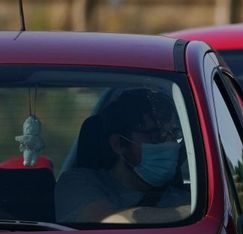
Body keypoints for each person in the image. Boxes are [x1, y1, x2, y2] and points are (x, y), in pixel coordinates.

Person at [56, 89, 190, 224]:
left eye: (173, 134)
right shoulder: (79, 183)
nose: (169, 144)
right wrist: (192, 212)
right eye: (154, 134)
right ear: (118, 144)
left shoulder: (189, 198)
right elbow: (107, 221)